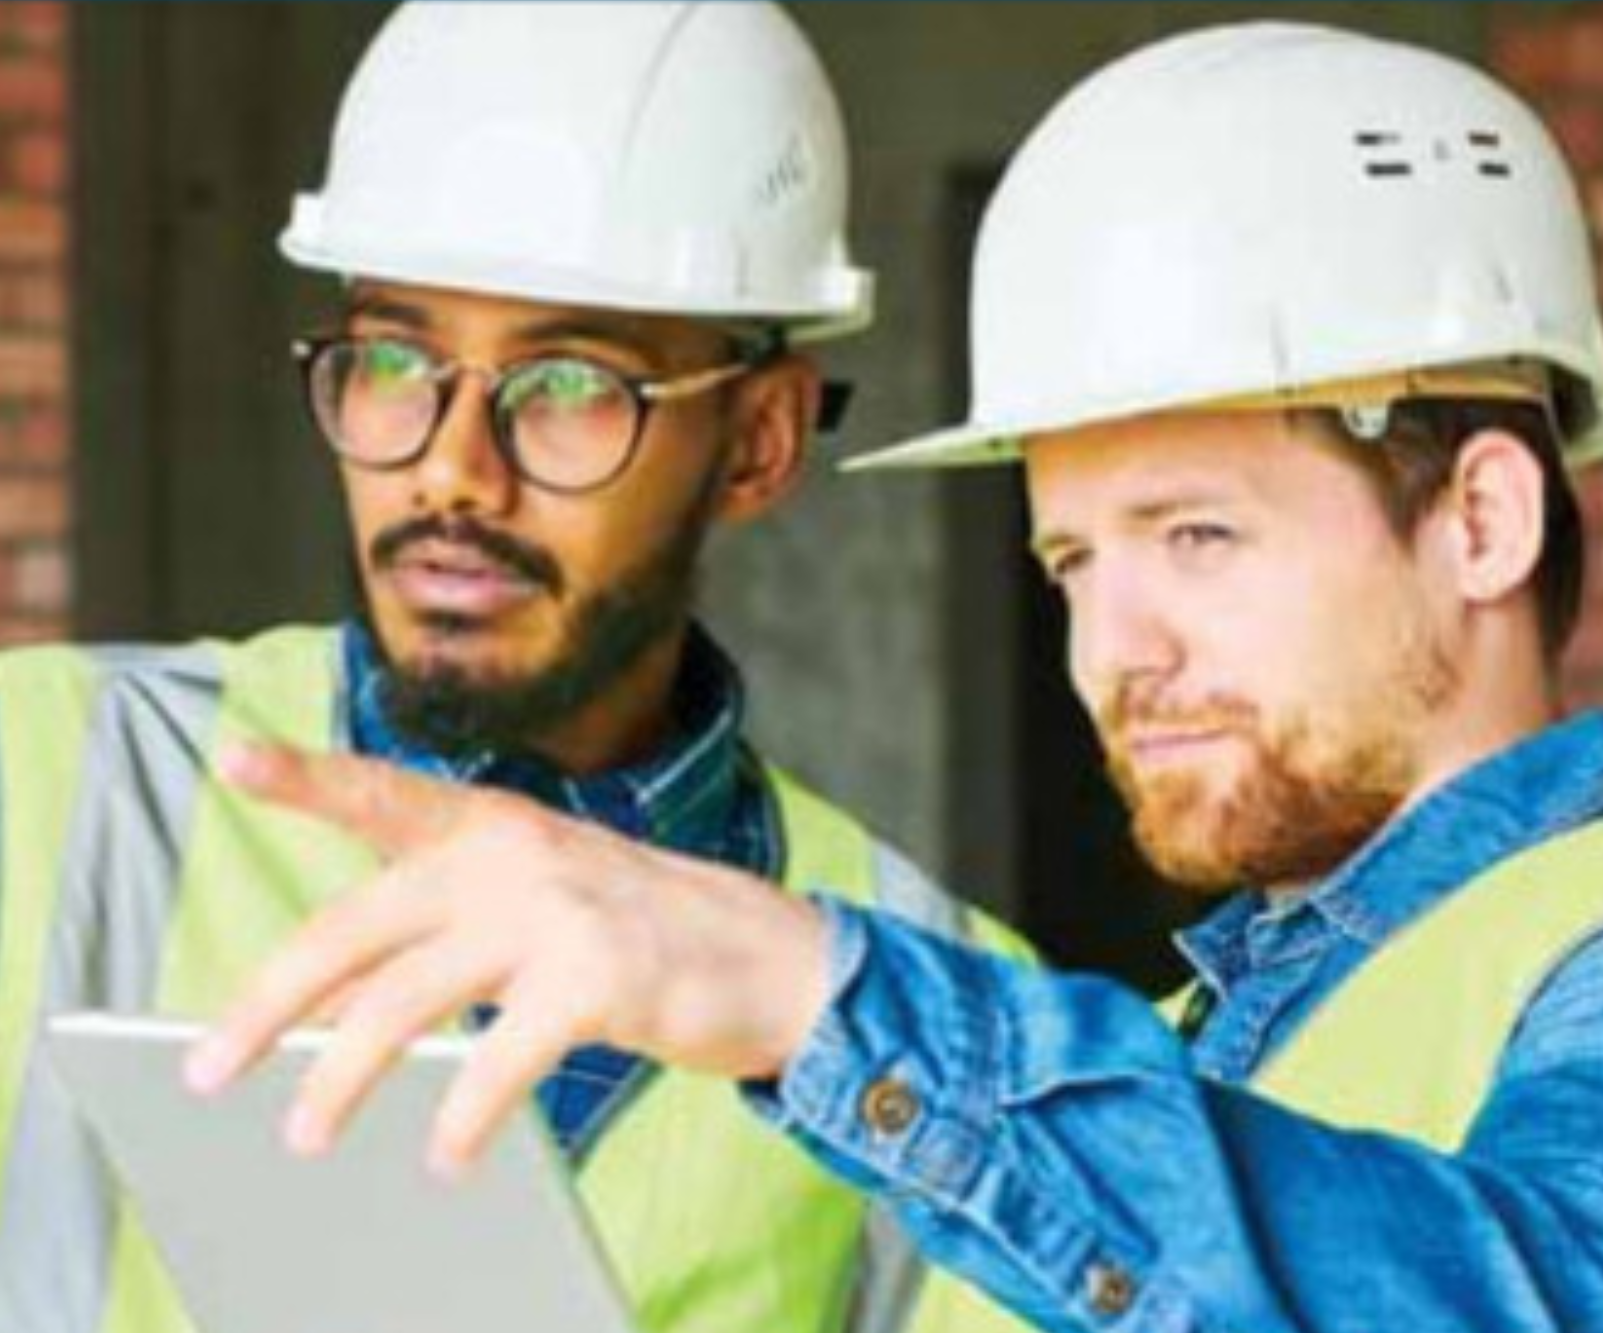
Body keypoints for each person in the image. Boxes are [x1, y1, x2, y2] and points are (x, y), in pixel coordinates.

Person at [0, 5, 1025, 1332]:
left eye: (574, 386)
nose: (454, 472)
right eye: (398, 365)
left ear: (763, 440)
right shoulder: (44, 776)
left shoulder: (931, 993)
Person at [188, 23, 1603, 1333]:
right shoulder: (1176, 1060)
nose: (1116, 652)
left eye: (1197, 536)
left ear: (1481, 521)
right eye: (1073, 563)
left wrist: (803, 989)